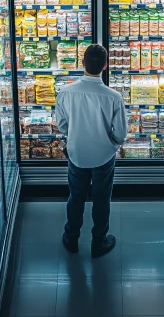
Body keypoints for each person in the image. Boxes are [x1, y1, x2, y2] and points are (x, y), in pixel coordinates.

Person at [56, 44, 128, 258]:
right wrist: (111, 143)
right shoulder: (114, 97)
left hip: (76, 154)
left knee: (75, 197)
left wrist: (76, 136)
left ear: (82, 63)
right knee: (102, 198)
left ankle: (71, 237)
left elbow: (62, 126)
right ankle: (99, 241)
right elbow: (121, 134)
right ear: (105, 66)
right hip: (103, 156)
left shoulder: (65, 93)